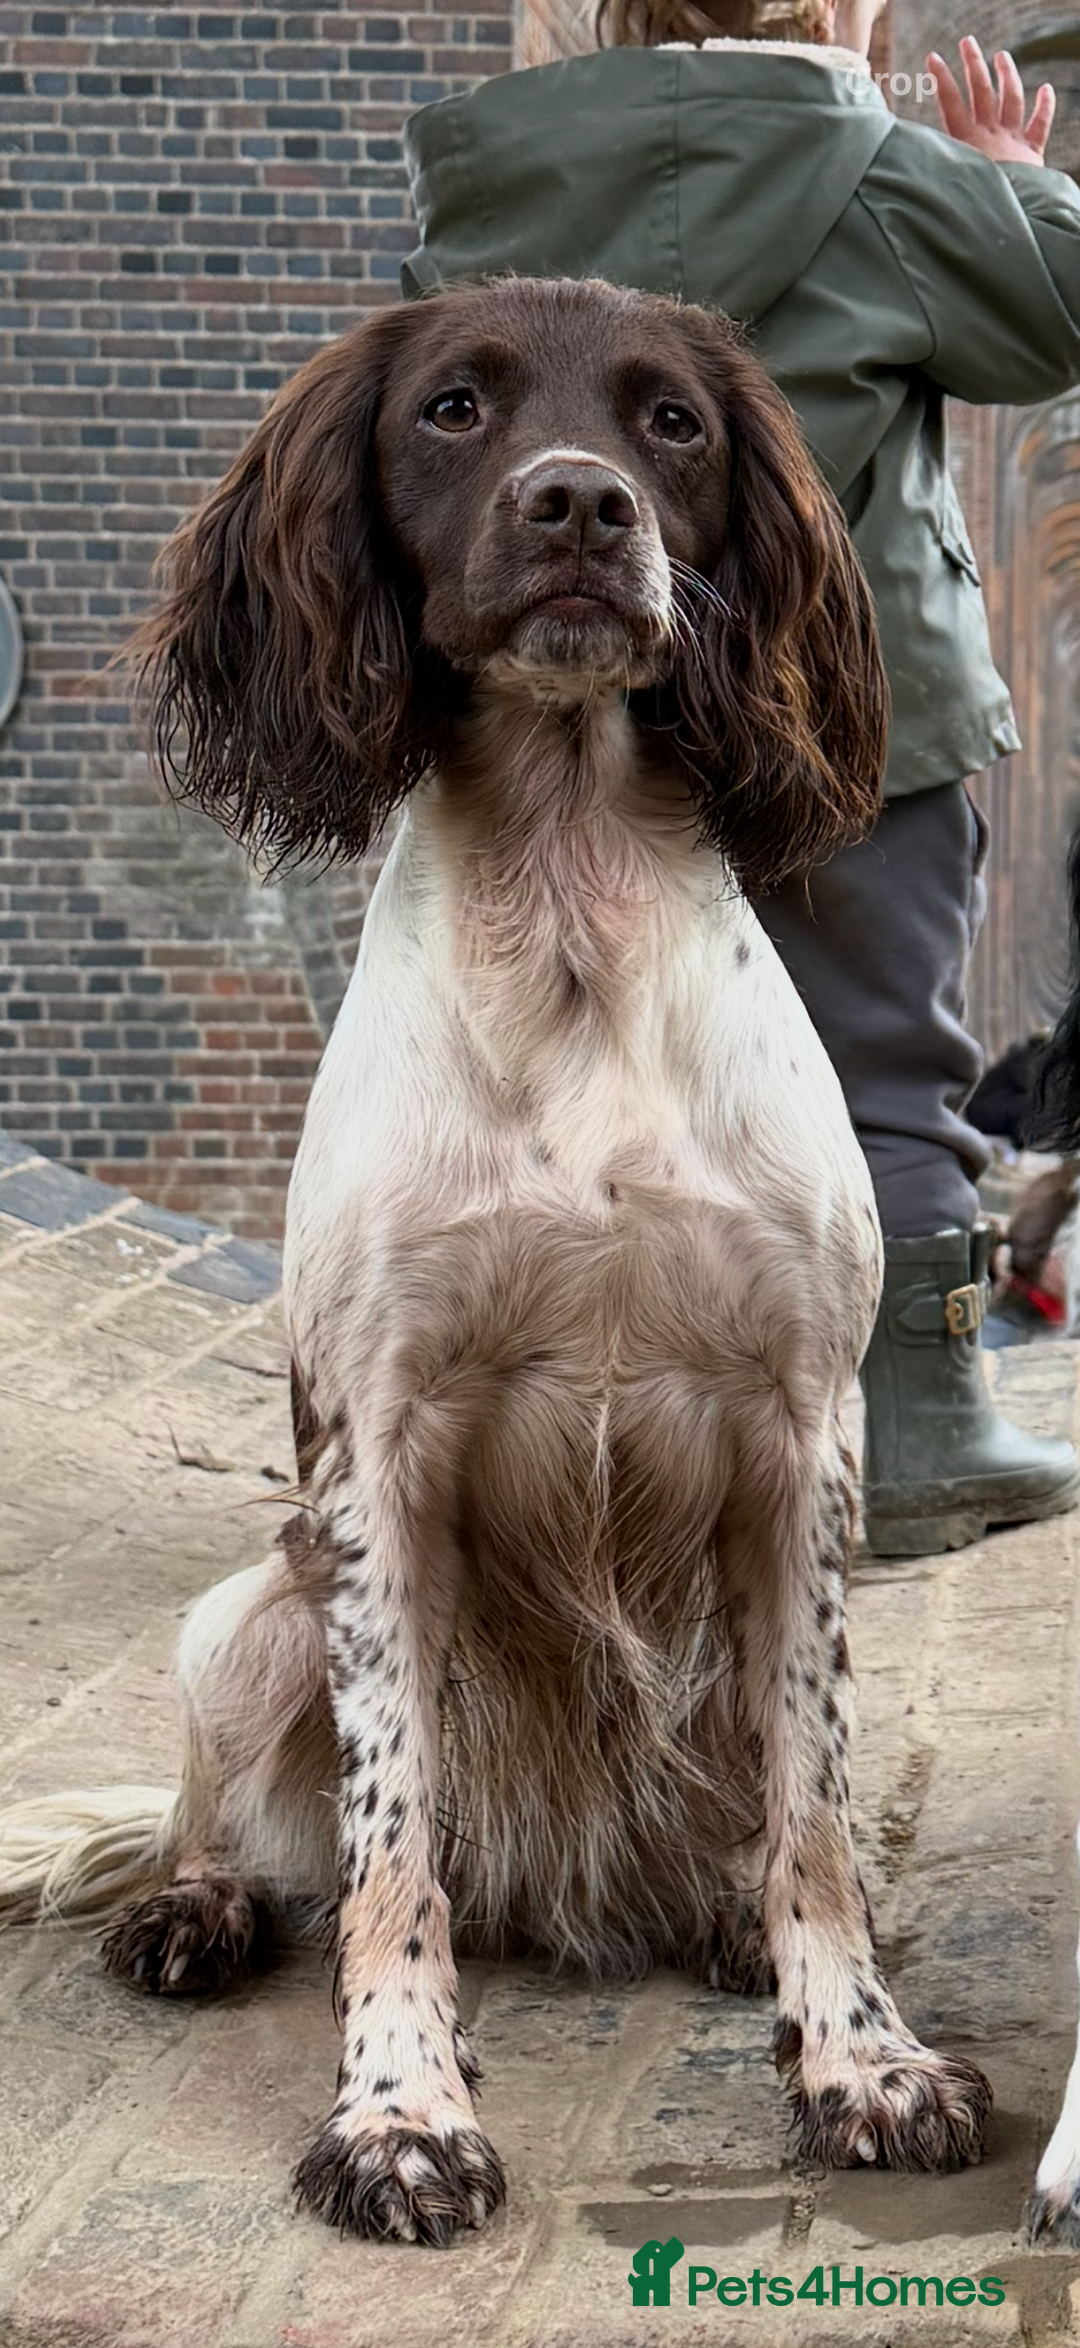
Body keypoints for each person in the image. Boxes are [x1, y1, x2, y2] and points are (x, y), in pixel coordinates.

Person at [399, 10, 1080, 1556]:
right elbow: (1056, 316)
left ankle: (574, 1463)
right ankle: (914, 1441)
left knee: (563, 1082)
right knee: (880, 1069)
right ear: (836, 17)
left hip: (578, 712)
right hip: (852, 725)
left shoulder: (498, 180)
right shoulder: (890, 181)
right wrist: (1008, 183)